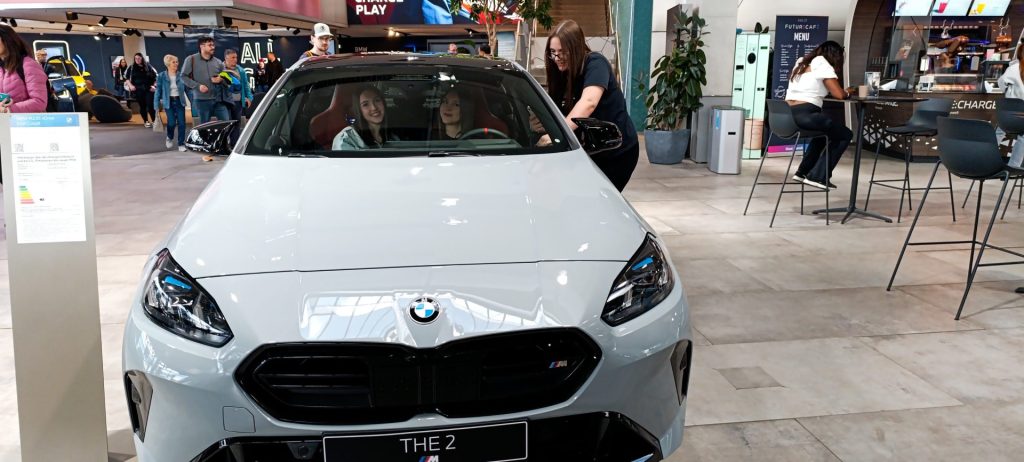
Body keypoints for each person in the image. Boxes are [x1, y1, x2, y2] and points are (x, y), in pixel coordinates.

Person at [537, 19, 640, 192]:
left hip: (618, 149)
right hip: (591, 151)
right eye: (553, 52)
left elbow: (589, 102)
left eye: (562, 52)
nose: (557, 58)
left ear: (576, 48)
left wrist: (559, 134)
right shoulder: (562, 72)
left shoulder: (596, 63)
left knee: (602, 199)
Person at [785, 40, 855, 190]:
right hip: (806, 115)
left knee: (824, 134)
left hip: (787, 115)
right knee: (845, 134)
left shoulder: (801, 63)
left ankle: (803, 172)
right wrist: (848, 92)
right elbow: (839, 94)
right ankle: (818, 176)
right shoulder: (822, 63)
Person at [333, 84, 399, 150]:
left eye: (377, 100)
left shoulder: (393, 137)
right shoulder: (347, 139)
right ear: (359, 110)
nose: (374, 108)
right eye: (365, 104)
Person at [0, 24, 48, 114]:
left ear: (7, 40)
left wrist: (9, 110)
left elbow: (39, 102)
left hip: (25, 121)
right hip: (5, 121)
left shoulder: (28, 65)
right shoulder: (2, 68)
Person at [181, 36, 229, 125]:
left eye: (213, 45)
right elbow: (183, 76)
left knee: (226, 123)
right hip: (202, 101)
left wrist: (221, 79)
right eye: (210, 45)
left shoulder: (218, 62)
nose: (213, 47)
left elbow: (226, 78)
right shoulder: (191, 59)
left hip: (219, 100)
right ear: (202, 46)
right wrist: (198, 86)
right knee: (204, 127)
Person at [154, 54, 190, 152]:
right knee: (172, 122)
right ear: (168, 64)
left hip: (179, 101)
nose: (176, 64)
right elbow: (158, 91)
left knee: (182, 123)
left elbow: (187, 90)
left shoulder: (181, 75)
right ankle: (169, 137)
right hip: (168, 102)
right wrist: (156, 105)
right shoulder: (161, 76)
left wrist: (193, 102)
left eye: (177, 62)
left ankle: (181, 144)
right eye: (173, 62)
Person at [998, 38, 1024, 169]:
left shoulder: (1013, 68)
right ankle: (1014, 166)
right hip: (1021, 117)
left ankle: (984, 159)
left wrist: (1009, 90)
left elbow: (1001, 83)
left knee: (998, 132)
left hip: (1010, 116)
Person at [221, 48, 253, 145]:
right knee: (225, 124)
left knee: (236, 124)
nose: (235, 59)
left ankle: (234, 145)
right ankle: (223, 145)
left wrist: (249, 98)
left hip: (237, 102)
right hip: (224, 102)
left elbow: (246, 86)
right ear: (226, 58)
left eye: (236, 57)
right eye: (233, 57)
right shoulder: (220, 69)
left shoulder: (241, 70)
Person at [125, 53, 157, 128]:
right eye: (136, 58)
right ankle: (146, 121)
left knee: (150, 105)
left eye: (139, 58)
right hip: (138, 89)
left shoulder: (148, 66)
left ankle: (154, 121)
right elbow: (126, 78)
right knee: (142, 106)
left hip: (149, 89)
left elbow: (155, 77)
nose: (137, 60)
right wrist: (131, 86)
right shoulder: (131, 67)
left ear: (142, 58)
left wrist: (154, 86)